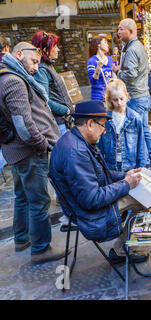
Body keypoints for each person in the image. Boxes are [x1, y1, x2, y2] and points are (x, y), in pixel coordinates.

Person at [49, 100, 150, 263]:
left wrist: (125, 174)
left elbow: (99, 174)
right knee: (143, 197)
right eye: (102, 125)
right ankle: (121, 250)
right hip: (90, 216)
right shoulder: (76, 153)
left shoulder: (75, 139)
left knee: (141, 187)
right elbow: (92, 199)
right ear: (90, 123)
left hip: (84, 207)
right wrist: (126, 184)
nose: (104, 132)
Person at [0, 42, 67, 264]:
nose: (37, 67)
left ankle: (22, 238)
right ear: (18, 54)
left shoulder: (8, 77)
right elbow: (23, 125)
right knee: (39, 200)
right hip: (29, 152)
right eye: (34, 61)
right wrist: (42, 144)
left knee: (22, 196)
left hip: (17, 151)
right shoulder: (14, 81)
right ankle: (40, 248)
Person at [113, 18, 151, 171]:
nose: (118, 32)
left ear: (131, 31)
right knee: (144, 129)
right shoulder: (134, 46)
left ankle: (145, 163)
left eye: (121, 29)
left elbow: (131, 74)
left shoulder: (132, 49)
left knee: (137, 131)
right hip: (142, 95)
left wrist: (117, 72)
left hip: (136, 96)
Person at [97, 79, 146, 172]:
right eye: (115, 100)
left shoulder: (135, 118)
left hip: (130, 167)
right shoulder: (105, 119)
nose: (119, 103)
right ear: (109, 99)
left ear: (127, 96)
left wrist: (141, 170)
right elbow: (100, 147)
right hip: (110, 168)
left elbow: (141, 147)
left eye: (121, 98)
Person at [32, 31, 74, 137]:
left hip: (63, 120)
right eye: (54, 46)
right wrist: (65, 109)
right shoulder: (41, 70)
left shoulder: (47, 66)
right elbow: (43, 99)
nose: (58, 49)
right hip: (58, 122)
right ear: (45, 50)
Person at [87, 36, 113, 101]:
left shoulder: (110, 59)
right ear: (98, 44)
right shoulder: (92, 61)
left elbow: (113, 77)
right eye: (105, 42)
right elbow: (93, 81)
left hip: (110, 96)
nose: (108, 45)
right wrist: (98, 68)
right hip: (98, 97)